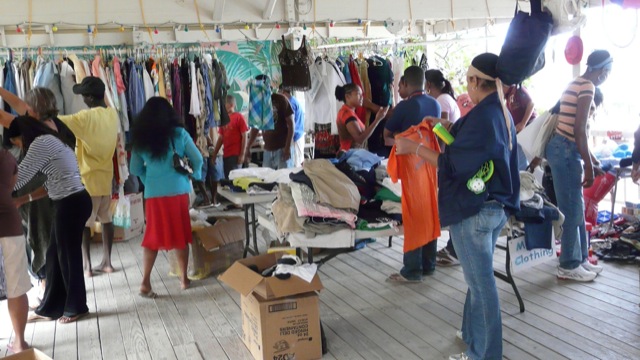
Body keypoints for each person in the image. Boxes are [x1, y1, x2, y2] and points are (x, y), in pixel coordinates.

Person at [396, 53, 520, 360]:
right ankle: (470, 335)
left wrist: (415, 148)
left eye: (468, 80)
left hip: (475, 211)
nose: (467, 85)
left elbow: (452, 164)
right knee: (478, 279)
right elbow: (472, 147)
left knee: (481, 285)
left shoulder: (485, 116)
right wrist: (442, 125)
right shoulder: (498, 111)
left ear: (477, 81)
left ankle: (485, 353)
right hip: (495, 207)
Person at [0, 87, 77, 306]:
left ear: (31, 109)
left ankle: (48, 293)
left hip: (40, 195)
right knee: (54, 242)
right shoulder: (57, 124)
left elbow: (3, 115)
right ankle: (56, 292)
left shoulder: (29, 128)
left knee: (42, 239)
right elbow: (19, 104)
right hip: (61, 190)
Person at [13, 116, 92, 324]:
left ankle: (77, 307)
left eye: (17, 142)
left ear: (24, 135)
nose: (20, 148)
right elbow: (52, 184)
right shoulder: (53, 140)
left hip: (71, 204)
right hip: (73, 201)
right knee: (54, 255)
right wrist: (24, 199)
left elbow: (19, 178)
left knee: (68, 257)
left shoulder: (40, 143)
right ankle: (51, 307)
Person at [546, 50, 612, 282]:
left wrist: (592, 160)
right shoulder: (588, 87)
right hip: (565, 150)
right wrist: (589, 166)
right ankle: (568, 265)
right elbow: (579, 130)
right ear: (603, 71)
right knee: (572, 209)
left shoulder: (575, 82)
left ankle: (581, 259)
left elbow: (577, 132)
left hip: (564, 148)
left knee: (576, 206)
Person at [130, 97, 203, 297]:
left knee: (152, 236)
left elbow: (134, 168)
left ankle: (145, 282)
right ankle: (184, 279)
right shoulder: (179, 134)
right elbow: (197, 159)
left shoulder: (141, 138)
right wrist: (192, 175)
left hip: (154, 195)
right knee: (180, 235)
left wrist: (150, 180)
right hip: (178, 192)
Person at [54, 77, 119, 277]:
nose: (82, 99)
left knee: (84, 223)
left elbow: (57, 122)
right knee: (107, 219)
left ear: (90, 98)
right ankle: (108, 262)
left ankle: (87, 266)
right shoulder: (112, 115)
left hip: (86, 180)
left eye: (83, 95)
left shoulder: (85, 118)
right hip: (106, 177)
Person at [381, 66, 441, 282]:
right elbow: (439, 134)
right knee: (429, 211)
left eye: (399, 85)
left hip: (411, 165)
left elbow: (387, 137)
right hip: (431, 163)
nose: (398, 88)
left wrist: (402, 136)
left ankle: (412, 270)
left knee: (414, 215)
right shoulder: (435, 103)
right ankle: (428, 264)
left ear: (406, 84)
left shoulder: (404, 107)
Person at [424, 69, 464, 267]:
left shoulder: (441, 102)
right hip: (452, 156)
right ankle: (453, 247)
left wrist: (436, 156)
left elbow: (444, 131)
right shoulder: (448, 98)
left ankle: (455, 249)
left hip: (450, 158)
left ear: (428, 85)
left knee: (449, 203)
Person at [0, 147, 32, 353]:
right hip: (9, 222)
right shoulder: (4, 155)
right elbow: (12, 183)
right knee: (16, 286)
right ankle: (19, 342)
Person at [246, 89, 295, 170]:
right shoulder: (259, 103)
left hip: (282, 148)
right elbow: (256, 127)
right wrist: (248, 147)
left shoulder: (281, 99)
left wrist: (287, 147)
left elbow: (291, 125)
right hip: (268, 150)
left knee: (283, 178)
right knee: (267, 178)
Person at [335, 83, 389, 151]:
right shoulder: (346, 114)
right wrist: (377, 119)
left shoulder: (349, 111)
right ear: (347, 96)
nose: (362, 97)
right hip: (350, 155)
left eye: (362, 95)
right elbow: (360, 139)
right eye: (358, 94)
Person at [211, 95, 249, 179]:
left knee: (235, 180)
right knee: (228, 180)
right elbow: (221, 138)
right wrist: (214, 155)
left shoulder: (239, 117)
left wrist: (242, 154)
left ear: (231, 105)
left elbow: (245, 136)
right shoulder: (224, 119)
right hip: (226, 155)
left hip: (236, 155)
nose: (223, 106)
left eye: (225, 104)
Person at [280, 88, 306, 167]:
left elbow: (290, 125)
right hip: (297, 137)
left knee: (296, 166)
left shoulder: (290, 103)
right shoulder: (293, 101)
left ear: (283, 92)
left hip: (295, 139)